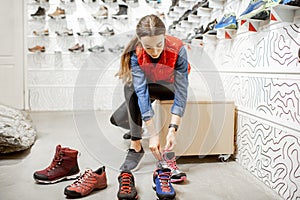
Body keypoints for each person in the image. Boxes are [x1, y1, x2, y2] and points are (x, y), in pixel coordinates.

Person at [110, 14, 190, 172]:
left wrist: (173, 130)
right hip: (149, 87)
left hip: (169, 88)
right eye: (149, 47)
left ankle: (136, 146)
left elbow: (181, 91)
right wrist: (153, 133)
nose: (155, 51)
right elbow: (141, 92)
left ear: (165, 37)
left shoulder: (178, 48)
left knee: (129, 87)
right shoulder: (136, 54)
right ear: (140, 42)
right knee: (116, 119)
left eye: (159, 44)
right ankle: (138, 130)